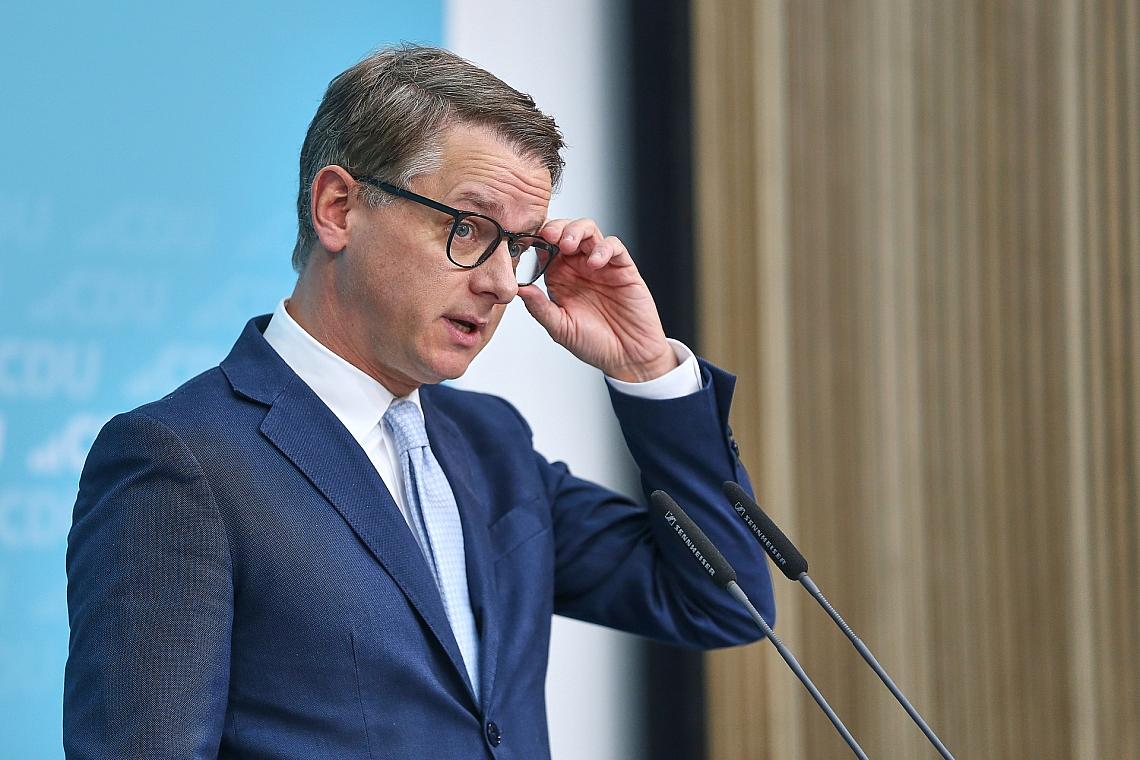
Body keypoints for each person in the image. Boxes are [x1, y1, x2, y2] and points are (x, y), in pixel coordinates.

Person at [63, 45, 775, 759]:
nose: (502, 284)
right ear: (338, 208)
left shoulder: (490, 444)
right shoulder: (184, 461)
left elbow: (723, 601)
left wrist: (647, 368)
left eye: (518, 246)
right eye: (469, 228)